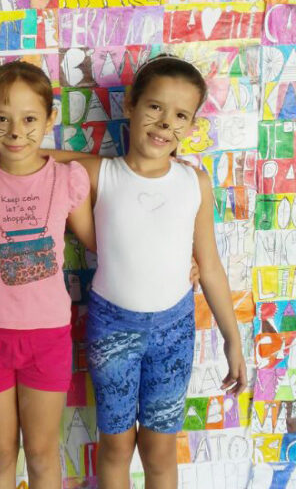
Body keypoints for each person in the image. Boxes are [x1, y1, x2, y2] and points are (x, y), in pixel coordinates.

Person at [48, 55, 247, 489]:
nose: (165, 123)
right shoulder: (100, 172)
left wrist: (233, 338)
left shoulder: (194, 183)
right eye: (155, 107)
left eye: (180, 116)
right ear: (130, 106)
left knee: (159, 449)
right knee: (117, 446)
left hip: (174, 331)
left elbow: (210, 266)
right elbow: (34, 156)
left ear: (191, 125)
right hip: (111, 328)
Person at [0, 61, 95, 489]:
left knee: (42, 452)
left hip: (47, 337)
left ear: (50, 119)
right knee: (0, 452)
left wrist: (179, 258)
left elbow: (97, 241)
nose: (15, 132)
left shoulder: (67, 179)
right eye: (2, 119)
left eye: (30, 119)